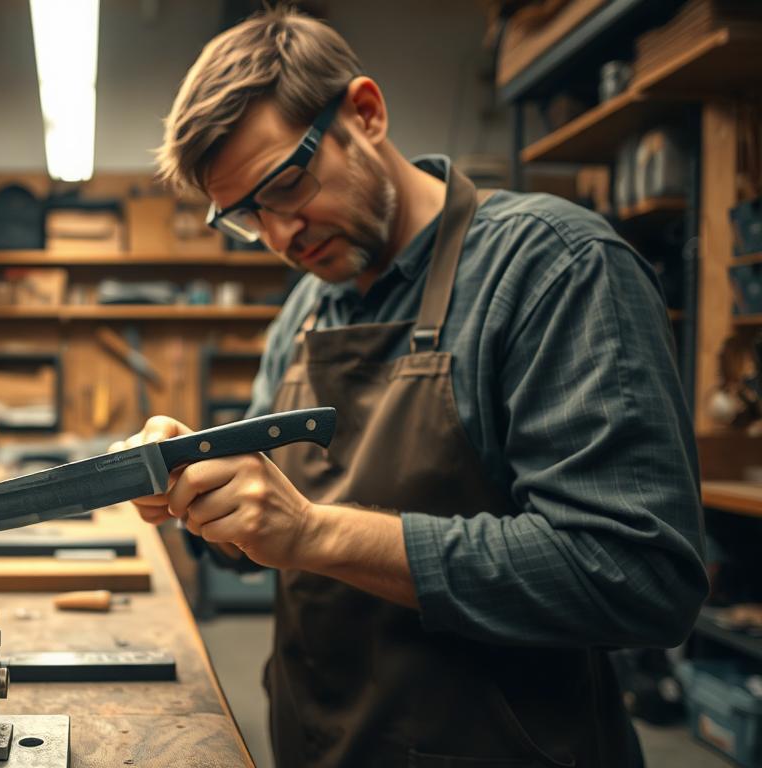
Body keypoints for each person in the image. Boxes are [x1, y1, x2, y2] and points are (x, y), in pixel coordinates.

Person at [115, 8, 708, 766]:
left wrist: (315, 531)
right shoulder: (306, 307)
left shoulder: (554, 268)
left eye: (287, 184)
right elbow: (267, 535)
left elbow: (639, 576)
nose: (280, 236)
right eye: (244, 217)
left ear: (365, 113)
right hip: (320, 743)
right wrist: (199, 488)